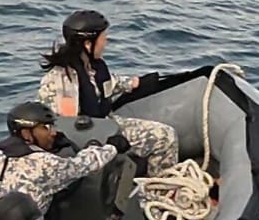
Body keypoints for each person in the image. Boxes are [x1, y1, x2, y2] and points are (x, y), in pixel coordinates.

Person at [36, 9, 179, 175]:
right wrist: (107, 144)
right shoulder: (61, 82)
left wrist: (136, 83)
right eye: (103, 38)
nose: (106, 41)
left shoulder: (92, 66)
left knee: (166, 133)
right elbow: (67, 128)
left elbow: (107, 84)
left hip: (106, 125)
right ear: (88, 44)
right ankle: (160, 191)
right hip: (92, 139)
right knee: (164, 137)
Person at [0, 100, 130, 219]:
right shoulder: (45, 165)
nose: (53, 133)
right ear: (26, 133)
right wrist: (112, 147)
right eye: (46, 128)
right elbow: (83, 165)